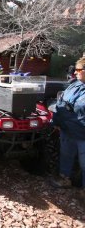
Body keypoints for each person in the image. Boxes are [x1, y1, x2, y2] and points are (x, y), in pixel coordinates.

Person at [51, 57, 85, 201]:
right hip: (67, 130)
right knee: (66, 156)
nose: (75, 73)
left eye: (78, 70)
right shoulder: (74, 85)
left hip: (82, 134)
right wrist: (56, 122)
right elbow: (60, 103)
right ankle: (65, 178)